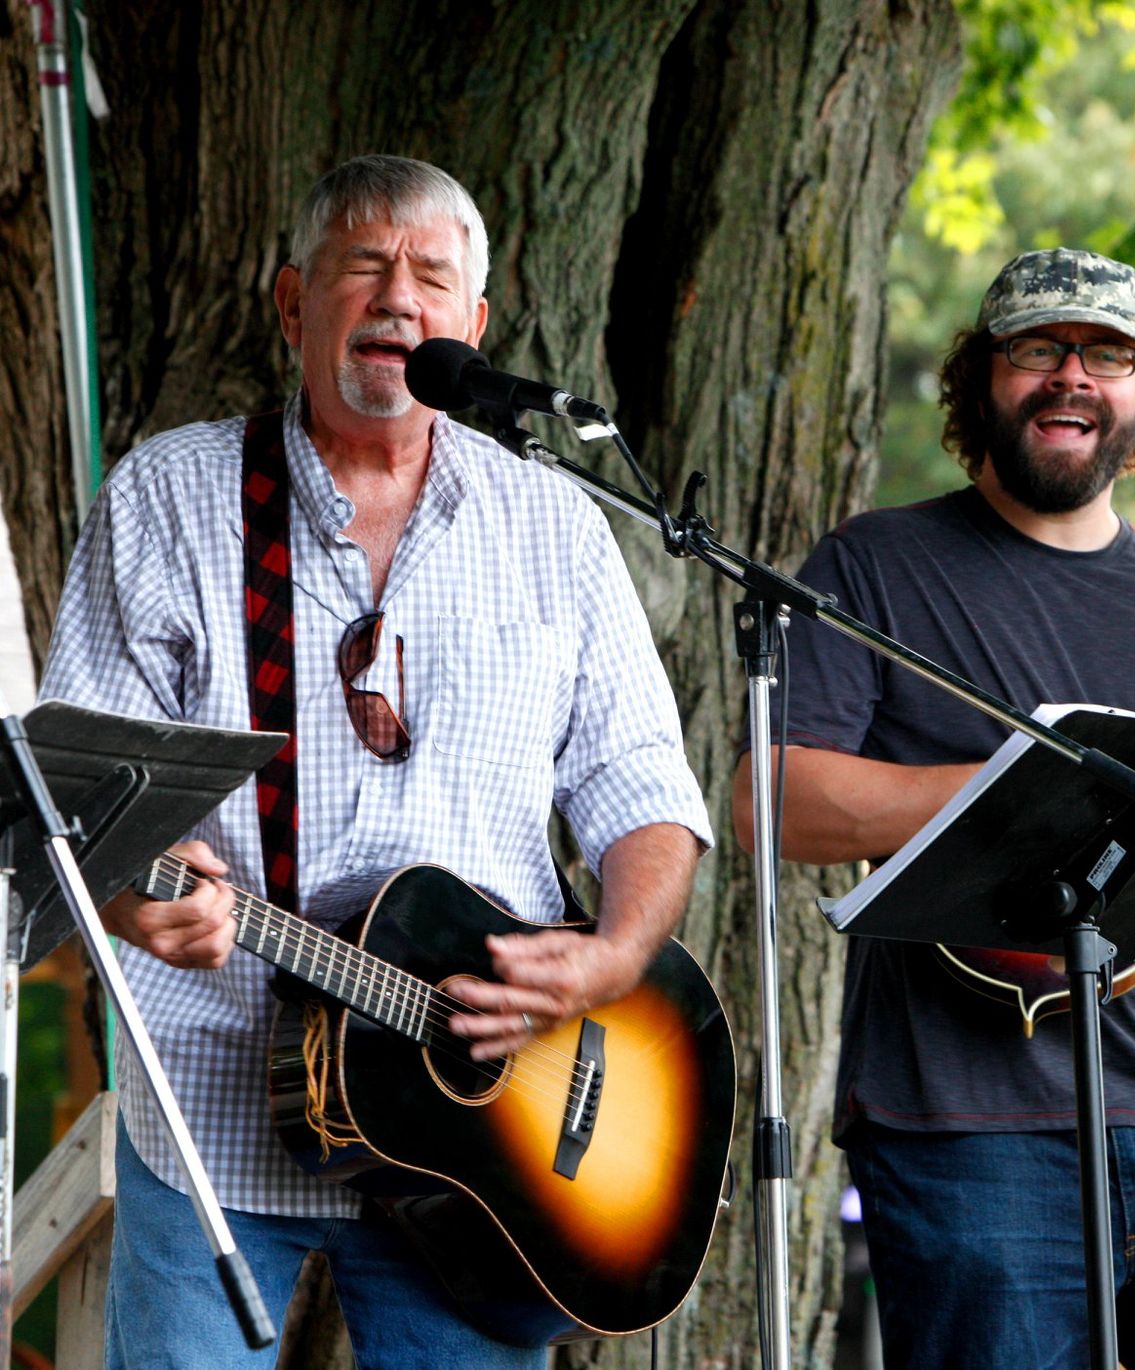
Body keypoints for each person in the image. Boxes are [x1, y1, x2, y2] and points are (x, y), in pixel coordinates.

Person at [39, 155, 711, 1368]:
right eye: (364, 266)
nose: (399, 297)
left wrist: (613, 956)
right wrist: (138, 897)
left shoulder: (555, 525)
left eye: (431, 276)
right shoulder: (170, 499)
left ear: (473, 324)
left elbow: (645, 788)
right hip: (213, 1094)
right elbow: (81, 795)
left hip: (491, 1144)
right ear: (294, 302)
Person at [733, 248, 1135, 1367]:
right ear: (981, 379)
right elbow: (769, 800)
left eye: (1109, 356)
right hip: (963, 1122)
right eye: (1039, 348)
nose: (1073, 375)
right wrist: (1037, 789)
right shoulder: (876, 562)